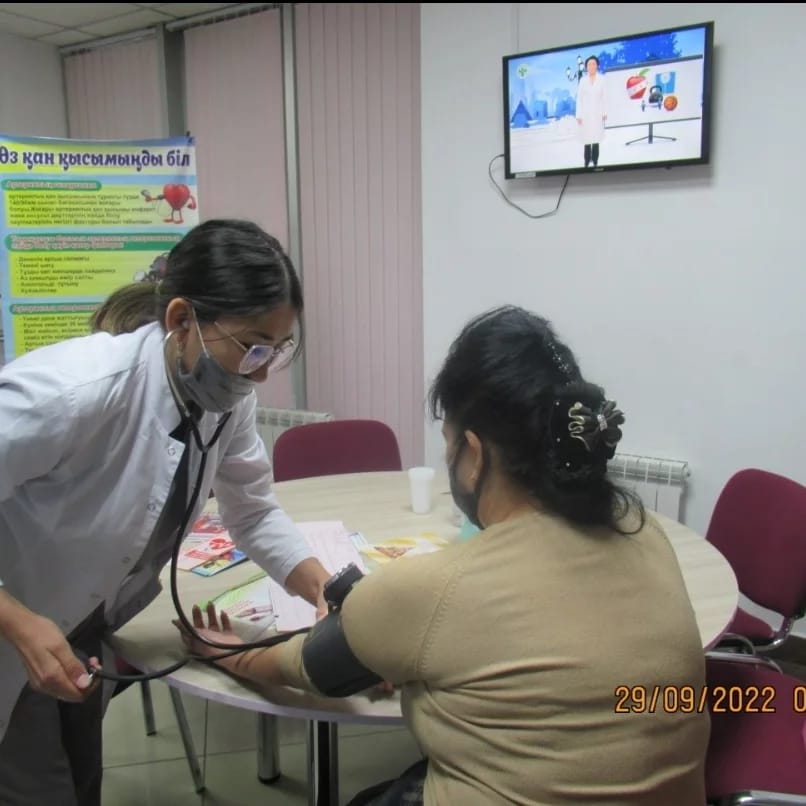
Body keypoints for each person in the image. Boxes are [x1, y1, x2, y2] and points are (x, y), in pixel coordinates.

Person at [177, 305, 710, 805]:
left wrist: (224, 649)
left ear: (472, 454)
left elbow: (301, 666)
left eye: (449, 441)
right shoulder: (644, 531)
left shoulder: (433, 591)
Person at [0, 218, 332, 806]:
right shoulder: (73, 392)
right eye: (252, 347)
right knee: (36, 785)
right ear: (181, 320)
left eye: (276, 351)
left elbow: (253, 511)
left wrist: (324, 588)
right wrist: (17, 622)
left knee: (79, 775)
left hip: (81, 623)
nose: (260, 371)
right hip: (15, 623)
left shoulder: (224, 398)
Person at [576, 55, 607, 168]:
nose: (591, 66)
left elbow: (605, 97)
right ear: (586, 67)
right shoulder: (583, 80)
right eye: (589, 64)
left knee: (596, 138)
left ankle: (595, 162)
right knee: (587, 138)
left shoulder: (602, 79)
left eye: (593, 64)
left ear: (597, 65)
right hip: (585, 114)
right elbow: (579, 98)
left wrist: (604, 112)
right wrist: (579, 115)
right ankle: (586, 162)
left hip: (598, 113)